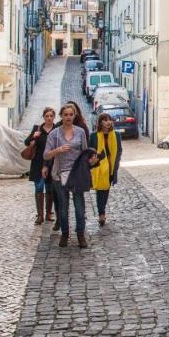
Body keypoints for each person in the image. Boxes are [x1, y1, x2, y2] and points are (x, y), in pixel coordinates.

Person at [43, 103, 96, 248]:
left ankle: (80, 234)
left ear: (74, 115)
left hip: (77, 174)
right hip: (59, 175)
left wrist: (91, 161)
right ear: (61, 116)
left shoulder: (80, 132)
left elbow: (85, 152)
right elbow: (46, 155)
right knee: (63, 207)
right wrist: (57, 150)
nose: (68, 117)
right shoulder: (54, 134)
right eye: (65, 115)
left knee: (79, 207)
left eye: (71, 114)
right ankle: (65, 234)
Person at [24, 107, 57, 225]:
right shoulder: (37, 129)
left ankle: (48, 213)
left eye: (51, 116)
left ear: (54, 117)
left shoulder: (56, 129)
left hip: (52, 163)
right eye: (47, 116)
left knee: (50, 189)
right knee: (39, 188)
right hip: (38, 162)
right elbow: (26, 142)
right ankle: (40, 215)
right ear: (44, 117)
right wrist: (34, 136)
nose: (49, 118)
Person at [89, 113, 123, 227]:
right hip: (99, 166)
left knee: (106, 189)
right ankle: (101, 214)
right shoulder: (94, 136)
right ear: (100, 122)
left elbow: (119, 151)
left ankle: (102, 211)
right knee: (100, 190)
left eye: (109, 119)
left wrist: (115, 166)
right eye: (104, 120)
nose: (108, 122)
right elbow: (90, 151)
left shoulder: (116, 135)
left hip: (111, 167)